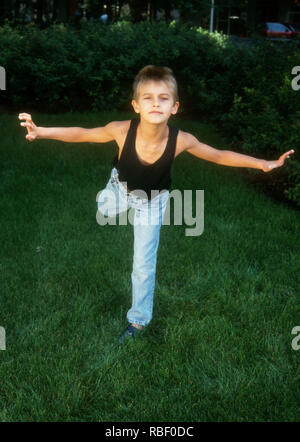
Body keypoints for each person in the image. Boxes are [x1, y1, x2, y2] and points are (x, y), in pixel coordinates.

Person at [18, 65, 294, 343]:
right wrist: (41, 131)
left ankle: (138, 321)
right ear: (136, 106)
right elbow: (82, 133)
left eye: (163, 98)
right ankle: (111, 192)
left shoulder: (181, 140)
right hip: (120, 189)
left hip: (152, 202)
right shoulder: (121, 131)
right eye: (148, 98)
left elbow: (219, 155)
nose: (155, 103)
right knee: (105, 209)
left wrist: (261, 164)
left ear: (175, 107)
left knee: (143, 264)